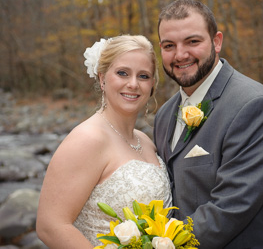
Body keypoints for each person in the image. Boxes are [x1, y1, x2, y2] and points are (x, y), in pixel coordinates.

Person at [154, 0, 263, 248]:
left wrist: (162, 243)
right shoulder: (164, 115)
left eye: (193, 41)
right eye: (169, 45)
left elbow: (231, 207)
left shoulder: (252, 105)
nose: (180, 54)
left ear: (217, 42)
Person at [36, 35, 172, 248]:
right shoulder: (87, 139)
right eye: (122, 73)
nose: (133, 84)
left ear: (152, 85)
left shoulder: (146, 141)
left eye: (143, 76)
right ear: (102, 78)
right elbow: (51, 225)